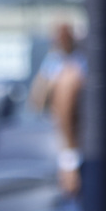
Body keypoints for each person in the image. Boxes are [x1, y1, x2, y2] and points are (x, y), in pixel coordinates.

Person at [29, 21, 87, 197]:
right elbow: (35, 104)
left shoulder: (83, 60)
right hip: (64, 138)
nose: (63, 36)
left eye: (67, 32)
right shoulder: (54, 62)